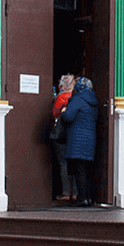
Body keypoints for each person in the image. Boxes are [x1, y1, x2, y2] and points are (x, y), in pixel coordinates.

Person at [61, 77, 99, 207]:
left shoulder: (77, 99)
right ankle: (88, 197)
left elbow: (68, 117)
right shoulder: (93, 101)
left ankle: (82, 198)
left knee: (79, 170)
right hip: (90, 139)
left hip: (77, 139)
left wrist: (63, 111)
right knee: (87, 170)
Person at [51, 74, 76, 202]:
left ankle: (66, 192)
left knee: (63, 163)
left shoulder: (62, 97)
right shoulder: (75, 97)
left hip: (60, 134)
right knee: (75, 163)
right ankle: (75, 193)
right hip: (73, 133)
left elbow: (55, 113)